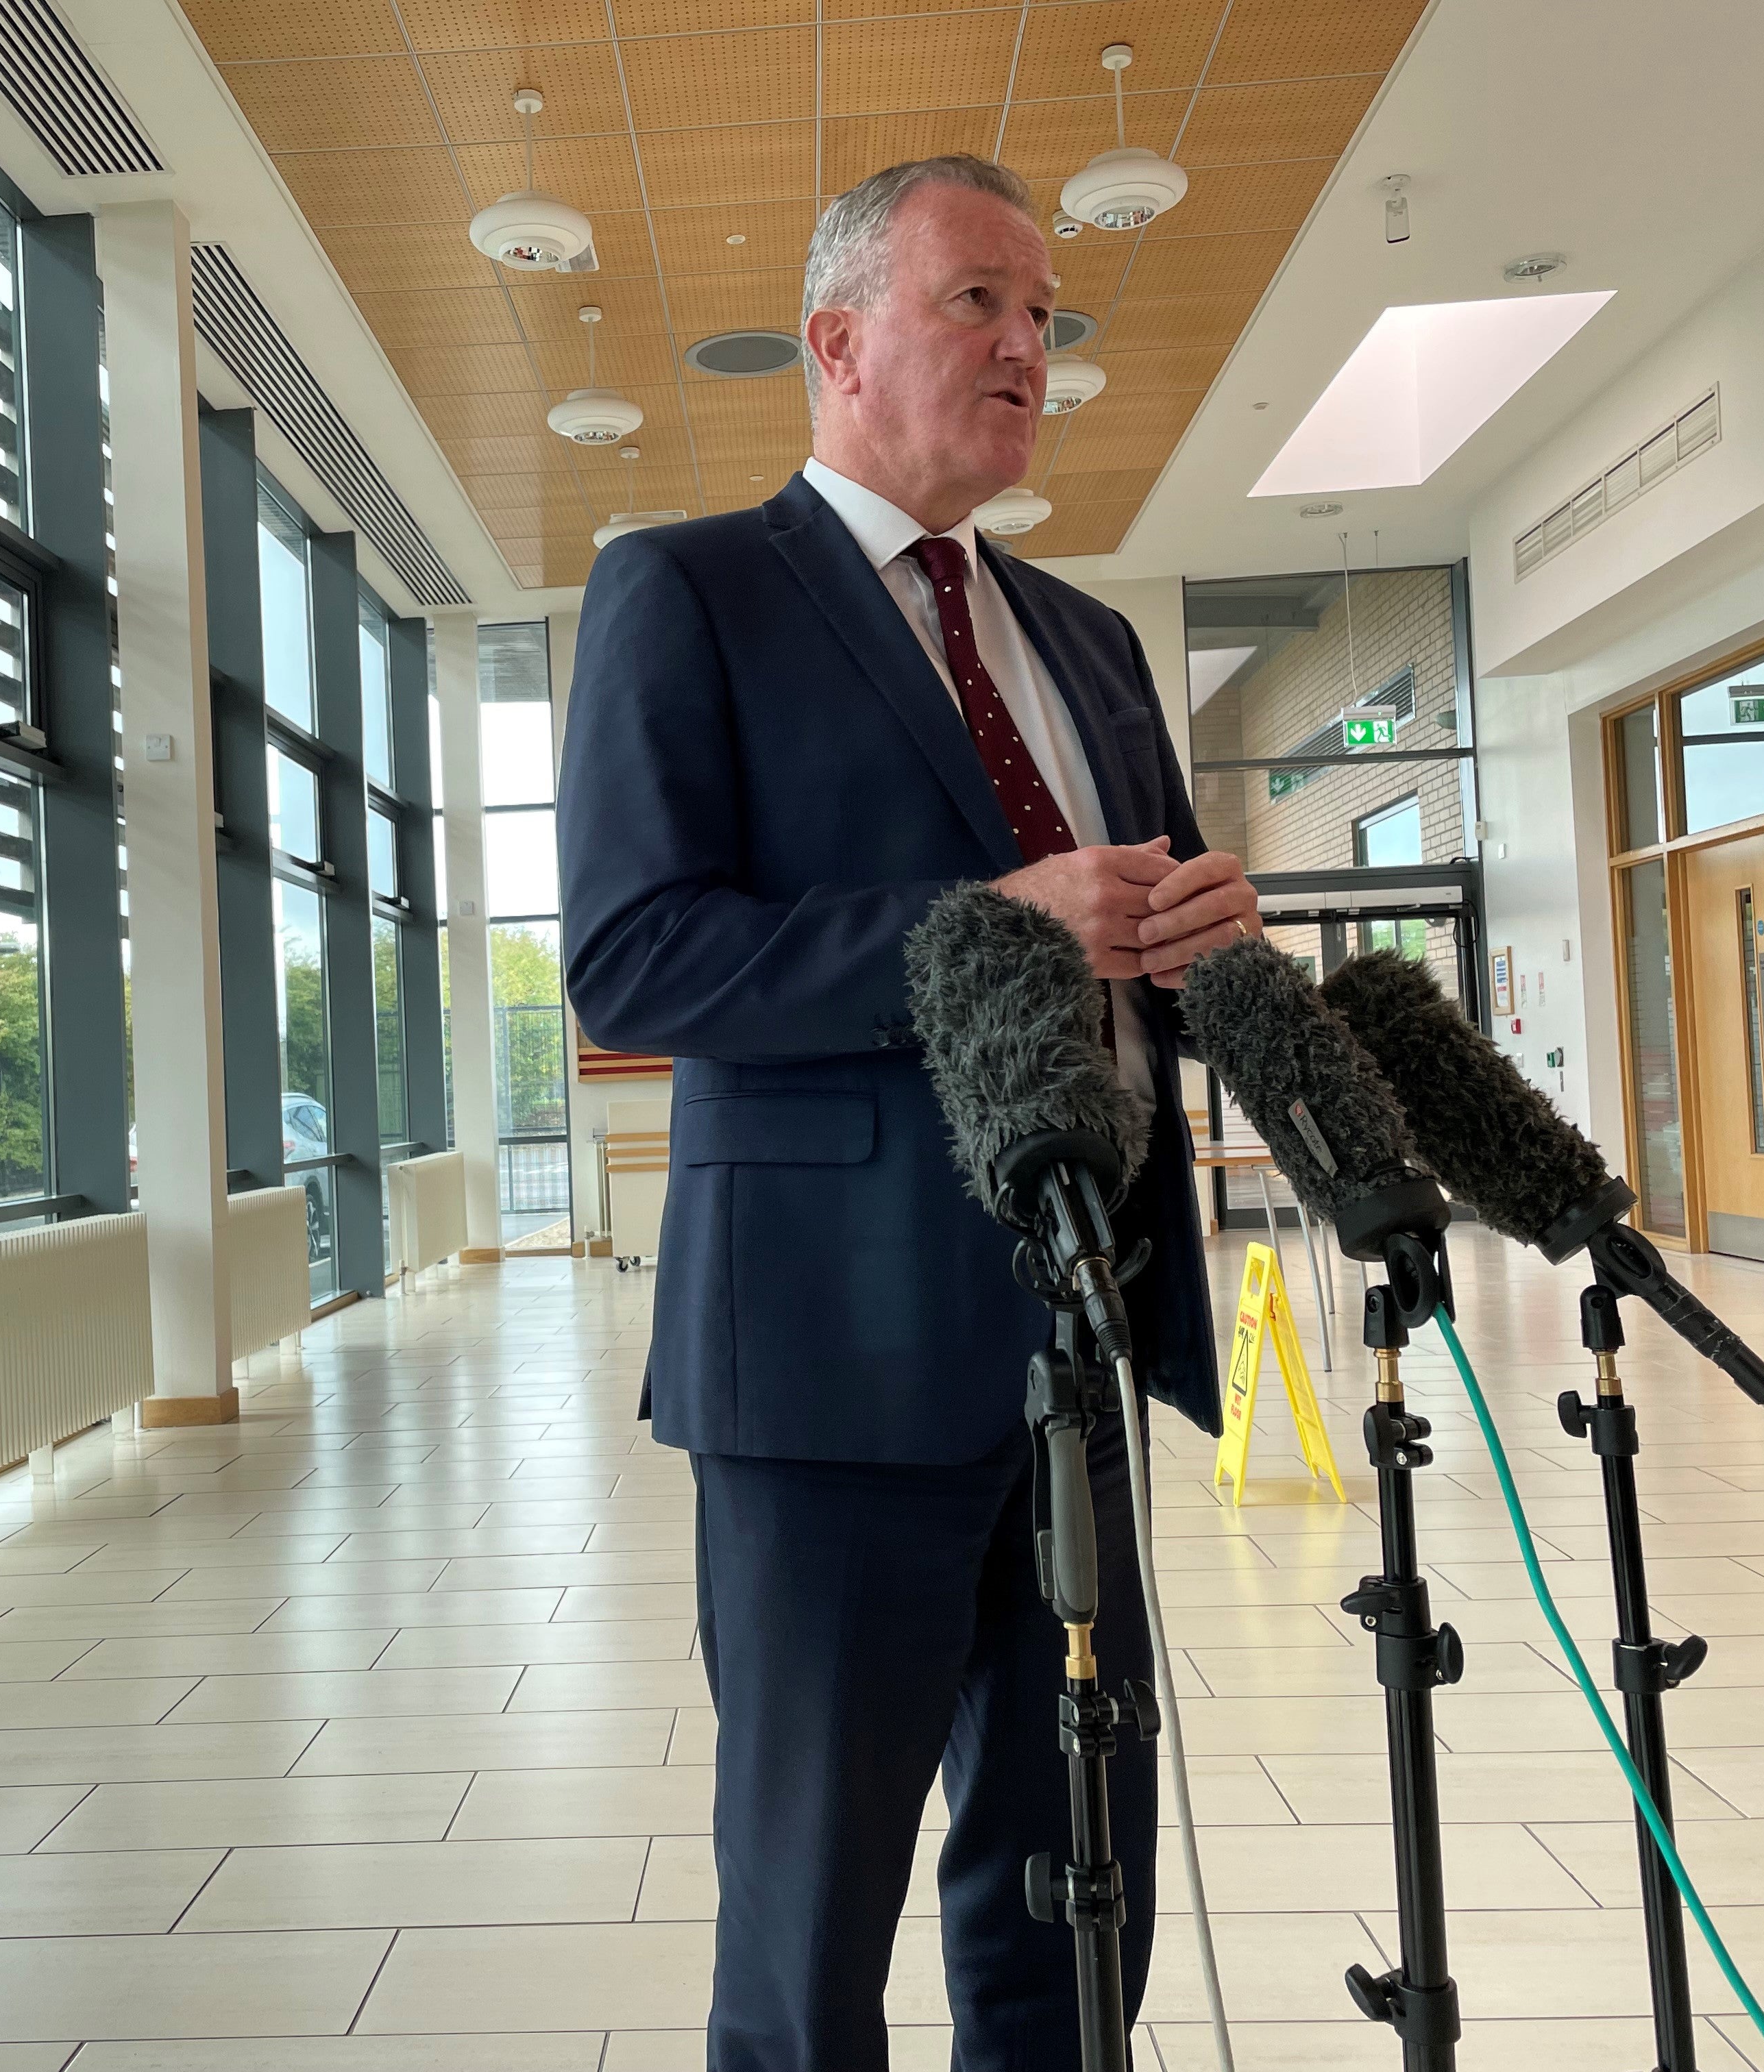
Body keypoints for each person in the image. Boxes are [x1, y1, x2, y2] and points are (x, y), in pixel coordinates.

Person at [558, 154, 1264, 2072]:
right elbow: (636, 963)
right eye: (983, 304)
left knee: (1069, 1894)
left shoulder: (1092, 643)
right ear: (839, 338)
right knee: (812, 1930)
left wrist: (1196, 937)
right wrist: (981, 930)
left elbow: (1140, 934)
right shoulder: (686, 591)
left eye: (1047, 317)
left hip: (1079, 1342)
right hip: (820, 1363)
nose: (1031, 346)